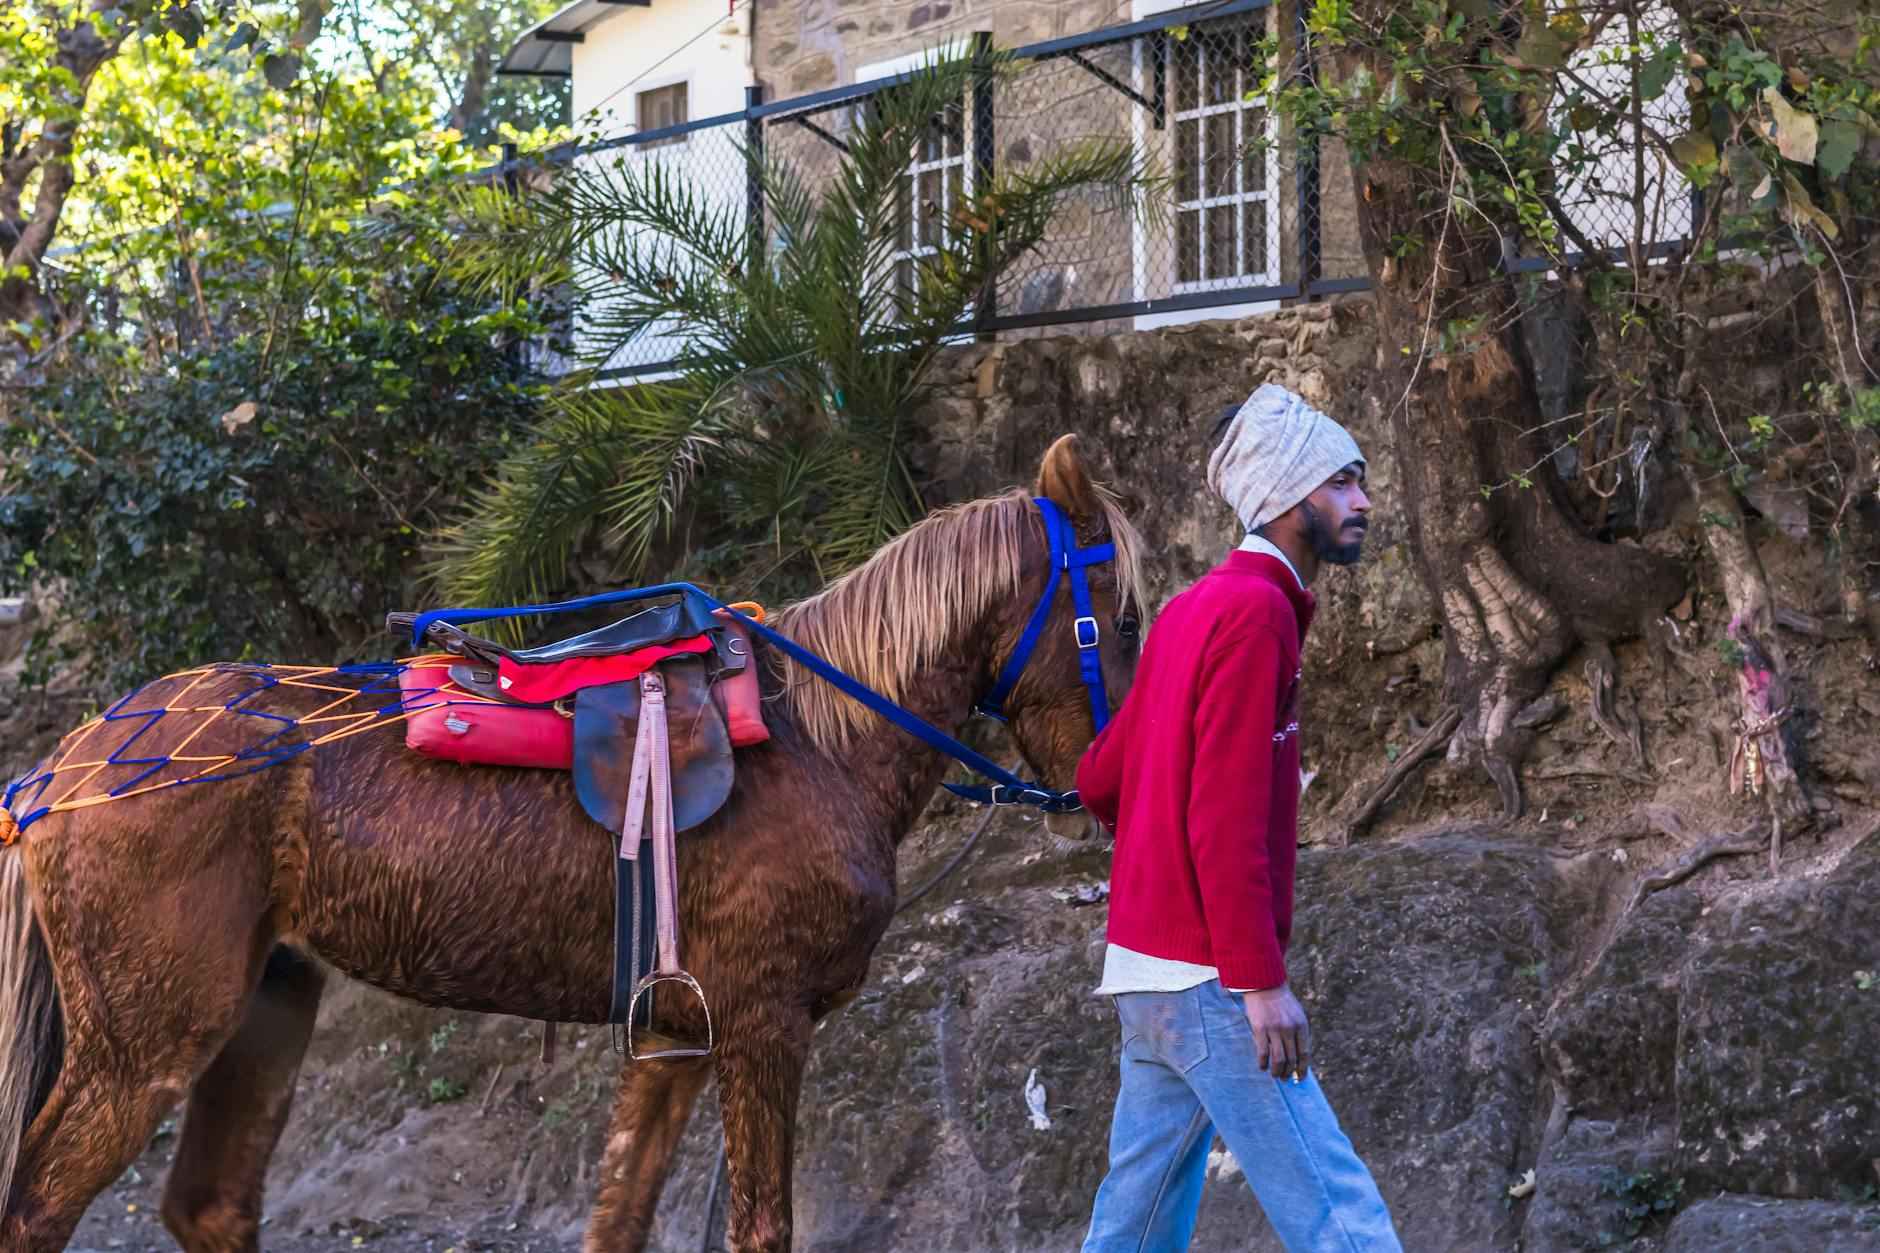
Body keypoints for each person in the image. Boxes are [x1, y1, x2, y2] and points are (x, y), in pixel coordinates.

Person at [1076, 383, 1402, 1252]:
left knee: (1135, 1226)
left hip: (1145, 976)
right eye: (1342, 482)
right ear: (1290, 497)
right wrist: (1260, 983)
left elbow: (1102, 777)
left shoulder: (1192, 608)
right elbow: (1224, 817)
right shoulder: (1257, 614)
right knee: (1338, 1215)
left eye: (1360, 481)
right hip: (1209, 980)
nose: (1364, 501)